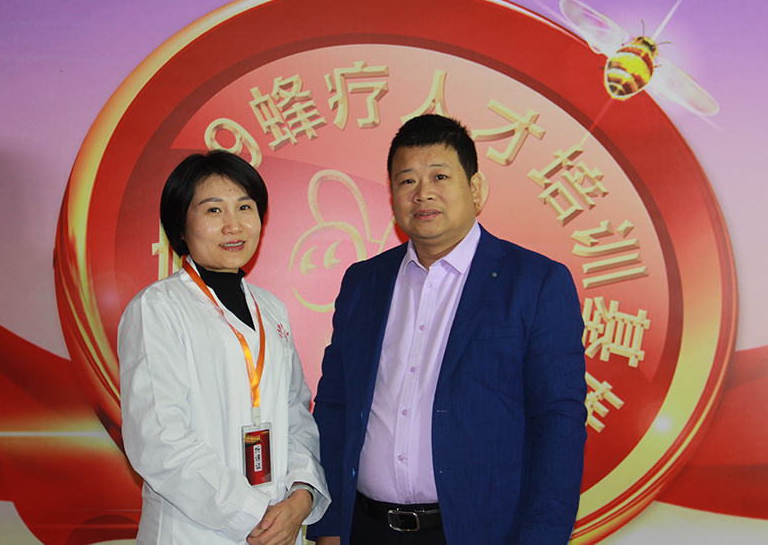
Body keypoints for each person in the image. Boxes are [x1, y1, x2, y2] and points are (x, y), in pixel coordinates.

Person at [307, 115, 587, 545]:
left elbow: (559, 422)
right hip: (365, 529)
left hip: (482, 533)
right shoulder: (364, 282)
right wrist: (329, 525)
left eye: (439, 176)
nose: (423, 193)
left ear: (475, 188)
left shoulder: (535, 282)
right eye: (407, 181)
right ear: (392, 195)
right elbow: (335, 406)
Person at [118, 150, 329, 545]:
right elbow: (159, 440)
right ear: (181, 226)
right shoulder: (157, 309)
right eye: (214, 210)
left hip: (279, 526)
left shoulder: (271, 308)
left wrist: (301, 495)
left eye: (245, 207)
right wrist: (251, 512)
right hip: (194, 532)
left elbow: (295, 414)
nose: (234, 225)